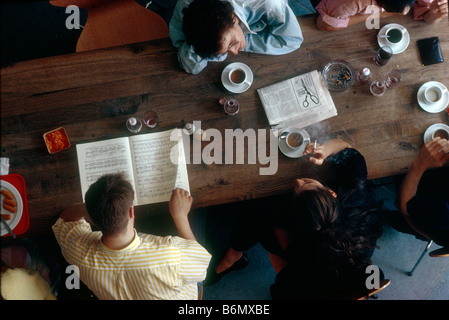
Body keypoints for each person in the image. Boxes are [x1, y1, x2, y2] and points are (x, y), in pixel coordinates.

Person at [208, 139, 383, 299]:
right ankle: (233, 255)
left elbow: (283, 278)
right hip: (346, 270)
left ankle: (232, 256)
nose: (298, 181)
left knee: (258, 211)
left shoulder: (301, 273)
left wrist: (278, 229)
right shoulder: (356, 203)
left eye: (304, 184)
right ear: (331, 193)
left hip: (311, 277)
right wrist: (326, 150)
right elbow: (350, 153)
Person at [52, 173, 211, 300]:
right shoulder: (170, 255)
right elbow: (201, 266)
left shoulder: (78, 253)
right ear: (131, 211)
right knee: (198, 214)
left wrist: (96, 210)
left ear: (92, 219)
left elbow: (66, 218)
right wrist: (181, 216)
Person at [169, 0, 304, 74]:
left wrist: (248, 41)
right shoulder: (186, 7)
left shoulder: (271, 4)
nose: (234, 52)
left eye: (231, 43)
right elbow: (191, 66)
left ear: (233, 18)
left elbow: (292, 40)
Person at [388, 138, 449, 247]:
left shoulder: (442, 213)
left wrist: (420, 163)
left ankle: (392, 221)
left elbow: (404, 204)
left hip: (420, 193)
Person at [315, 0, 448, 31]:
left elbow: (426, 16)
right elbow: (324, 24)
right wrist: (376, 15)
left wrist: (434, 14)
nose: (404, 14)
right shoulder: (352, 2)